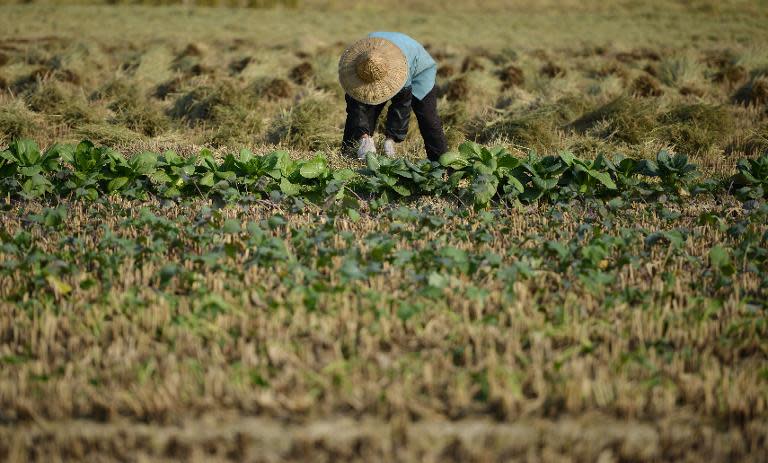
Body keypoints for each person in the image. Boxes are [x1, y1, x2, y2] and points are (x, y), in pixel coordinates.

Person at [339, 32, 448, 161]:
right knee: (365, 109)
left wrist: (391, 139)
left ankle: (441, 164)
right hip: (376, 62)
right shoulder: (359, 62)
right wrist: (364, 137)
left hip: (419, 70)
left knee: (428, 118)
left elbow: (402, 106)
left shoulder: (401, 71)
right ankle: (349, 157)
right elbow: (355, 106)